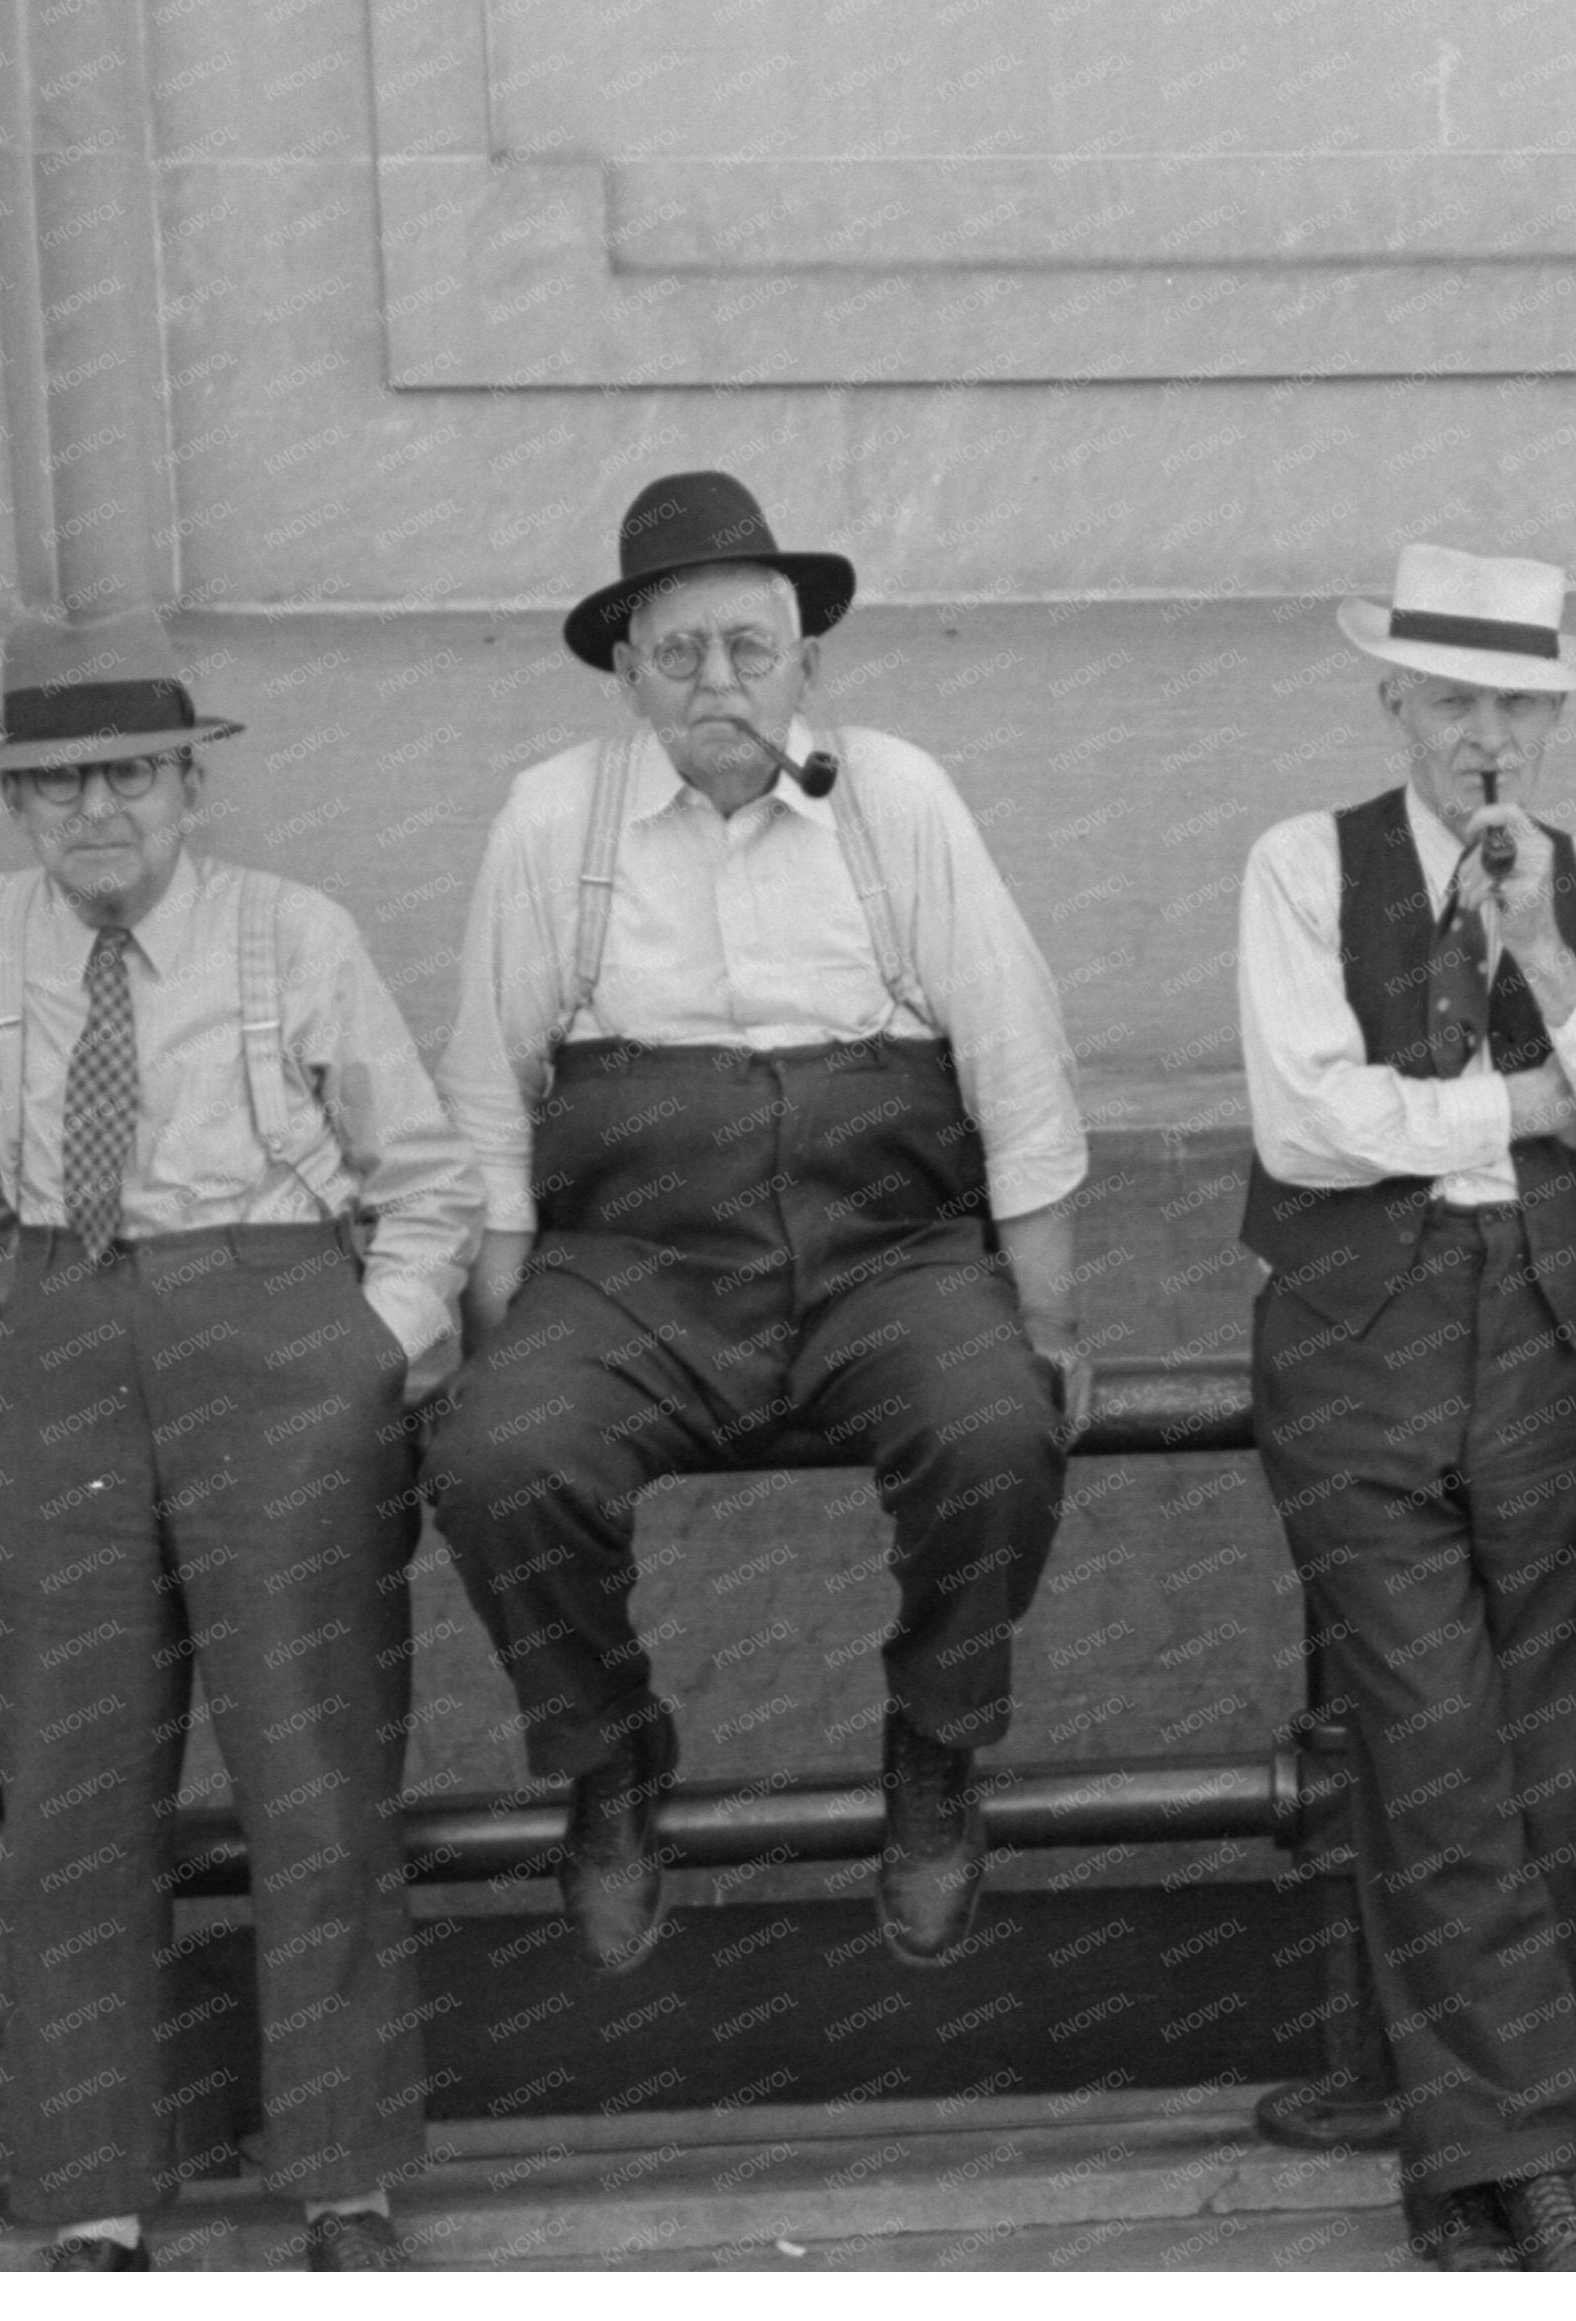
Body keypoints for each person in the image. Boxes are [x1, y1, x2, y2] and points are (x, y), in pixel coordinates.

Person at [0, 610, 481, 2271]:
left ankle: (345, 2177)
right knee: (73, 1776)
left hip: (277, 1335)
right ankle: (92, 2193)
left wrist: (373, 1351)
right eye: (58, 780)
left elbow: (426, 1183)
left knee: (315, 1765)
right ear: (15, 801)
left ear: (190, 782)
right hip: (61, 1337)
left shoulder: (294, 934)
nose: (98, 812)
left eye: (130, 772)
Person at [424, 472, 1088, 1976]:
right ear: (626, 672)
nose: (720, 682)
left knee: (998, 1429)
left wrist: (1046, 1313)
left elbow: (1015, 1049)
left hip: (886, 1248)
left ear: (808, 664)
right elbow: (484, 1088)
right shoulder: (553, 817)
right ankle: (609, 1758)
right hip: (634, 1264)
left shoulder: (899, 795)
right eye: (681, 653)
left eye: (752, 647)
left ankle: (933, 1745)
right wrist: (495, 1330)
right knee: (495, 1459)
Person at [1234, 543, 1576, 2271]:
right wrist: (1533, 1100)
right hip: (1358, 1349)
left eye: (1518, 702)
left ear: (1555, 717)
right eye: (1454, 699)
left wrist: (1552, 969)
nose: (1487, 734)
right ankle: (1523, 2158)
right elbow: (1309, 1121)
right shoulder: (1302, 867)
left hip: (1559, 1349)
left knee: (1537, 1757)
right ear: (1395, 703)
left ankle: (1459, 2159)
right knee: (1433, 1739)